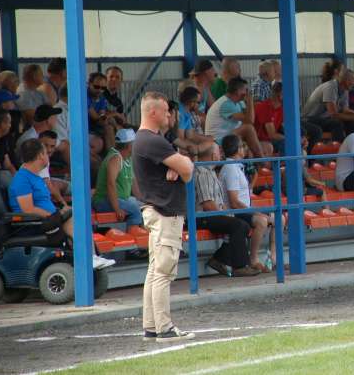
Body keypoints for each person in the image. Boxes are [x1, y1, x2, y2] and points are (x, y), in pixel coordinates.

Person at [133, 91, 195, 342]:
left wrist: (178, 167)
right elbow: (189, 170)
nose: (170, 115)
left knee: (154, 270)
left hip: (155, 211)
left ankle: (151, 326)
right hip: (165, 213)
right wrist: (180, 167)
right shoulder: (153, 141)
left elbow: (184, 168)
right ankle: (164, 328)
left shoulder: (144, 140)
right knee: (163, 272)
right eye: (167, 111)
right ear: (153, 112)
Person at [10, 138, 116, 269]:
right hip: (33, 224)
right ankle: (89, 258)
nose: (49, 155)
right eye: (45, 152)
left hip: (48, 219)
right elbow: (28, 209)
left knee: (78, 215)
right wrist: (55, 214)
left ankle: (91, 257)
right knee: (74, 219)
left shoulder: (36, 176)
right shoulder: (22, 179)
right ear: (40, 156)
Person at [192, 144, 258, 277]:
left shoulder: (211, 172)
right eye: (218, 151)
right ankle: (239, 267)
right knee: (239, 225)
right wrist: (226, 214)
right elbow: (208, 204)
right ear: (212, 155)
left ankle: (218, 259)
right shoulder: (202, 174)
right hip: (202, 217)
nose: (221, 154)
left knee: (242, 225)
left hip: (211, 214)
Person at [219, 135, 272, 273]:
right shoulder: (230, 168)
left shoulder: (237, 166)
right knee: (261, 221)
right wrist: (254, 212)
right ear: (237, 149)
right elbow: (234, 202)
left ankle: (273, 259)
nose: (245, 149)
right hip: (234, 211)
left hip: (244, 209)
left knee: (279, 217)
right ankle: (253, 259)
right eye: (242, 146)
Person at [204, 77, 268, 159]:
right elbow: (250, 121)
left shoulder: (238, 102)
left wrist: (248, 102)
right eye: (245, 90)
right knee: (248, 129)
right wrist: (250, 100)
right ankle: (263, 163)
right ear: (238, 91)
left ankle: (258, 168)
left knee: (267, 146)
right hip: (218, 140)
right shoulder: (225, 104)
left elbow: (248, 115)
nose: (247, 93)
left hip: (229, 136)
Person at [302, 69, 354, 143]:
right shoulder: (330, 87)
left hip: (324, 119)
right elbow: (334, 115)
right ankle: (340, 150)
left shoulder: (345, 90)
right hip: (310, 120)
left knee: (350, 121)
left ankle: (352, 146)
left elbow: (345, 110)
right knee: (336, 124)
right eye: (353, 80)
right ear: (346, 80)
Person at [93, 128, 143, 226]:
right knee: (135, 208)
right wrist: (117, 208)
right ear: (129, 145)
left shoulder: (128, 159)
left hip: (122, 199)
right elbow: (110, 184)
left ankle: (141, 234)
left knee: (144, 206)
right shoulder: (115, 158)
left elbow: (133, 183)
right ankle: (133, 236)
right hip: (103, 201)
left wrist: (143, 200)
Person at [176, 86, 215, 157]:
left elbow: (190, 135)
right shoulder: (180, 113)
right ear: (191, 102)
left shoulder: (187, 112)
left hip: (184, 146)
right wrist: (197, 148)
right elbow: (180, 138)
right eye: (198, 102)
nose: (199, 105)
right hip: (178, 149)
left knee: (211, 144)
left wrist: (208, 139)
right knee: (211, 147)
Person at [254, 81, 285, 154]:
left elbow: (286, 127)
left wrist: (300, 137)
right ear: (279, 95)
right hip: (261, 140)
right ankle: (287, 164)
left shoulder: (282, 109)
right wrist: (292, 138)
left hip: (272, 140)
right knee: (286, 143)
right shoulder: (264, 107)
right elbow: (272, 135)